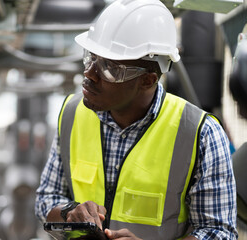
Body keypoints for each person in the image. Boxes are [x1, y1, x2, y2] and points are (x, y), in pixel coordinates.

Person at [35, 0, 238, 239]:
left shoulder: (200, 133)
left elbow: (219, 232)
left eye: (109, 67)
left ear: (147, 80)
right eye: (90, 57)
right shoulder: (71, 113)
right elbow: (46, 199)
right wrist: (70, 212)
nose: (89, 74)